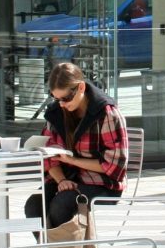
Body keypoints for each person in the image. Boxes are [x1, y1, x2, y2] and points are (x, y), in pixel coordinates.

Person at [25, 62, 129, 230]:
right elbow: (48, 156)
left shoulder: (106, 114)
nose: (61, 104)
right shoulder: (56, 112)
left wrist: (73, 161)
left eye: (65, 98)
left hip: (102, 184)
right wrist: (62, 180)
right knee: (34, 206)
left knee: (62, 205)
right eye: (56, 99)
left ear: (80, 87)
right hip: (68, 178)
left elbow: (114, 166)